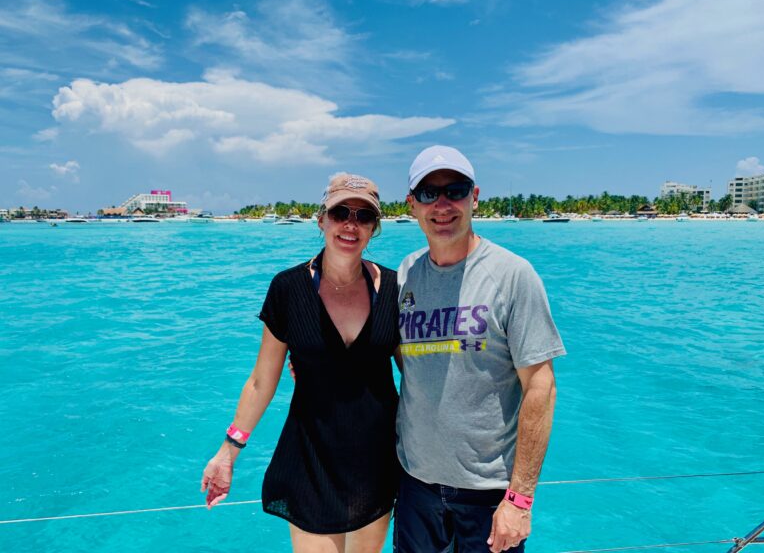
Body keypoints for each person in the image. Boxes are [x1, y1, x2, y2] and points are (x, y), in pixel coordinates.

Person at [201, 173, 401, 553]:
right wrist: (227, 453)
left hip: (375, 461)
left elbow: (419, 373)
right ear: (321, 219)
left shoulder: (394, 288)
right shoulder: (288, 289)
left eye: (363, 216)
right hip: (311, 458)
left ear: (375, 228)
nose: (350, 224)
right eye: (341, 212)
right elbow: (262, 381)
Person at [394, 146, 566, 553]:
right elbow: (395, 357)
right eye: (428, 194)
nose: (442, 205)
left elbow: (540, 388)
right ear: (411, 205)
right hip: (415, 485)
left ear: (474, 197)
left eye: (455, 190)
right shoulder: (405, 274)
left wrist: (520, 500)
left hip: (488, 495)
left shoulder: (513, 275)